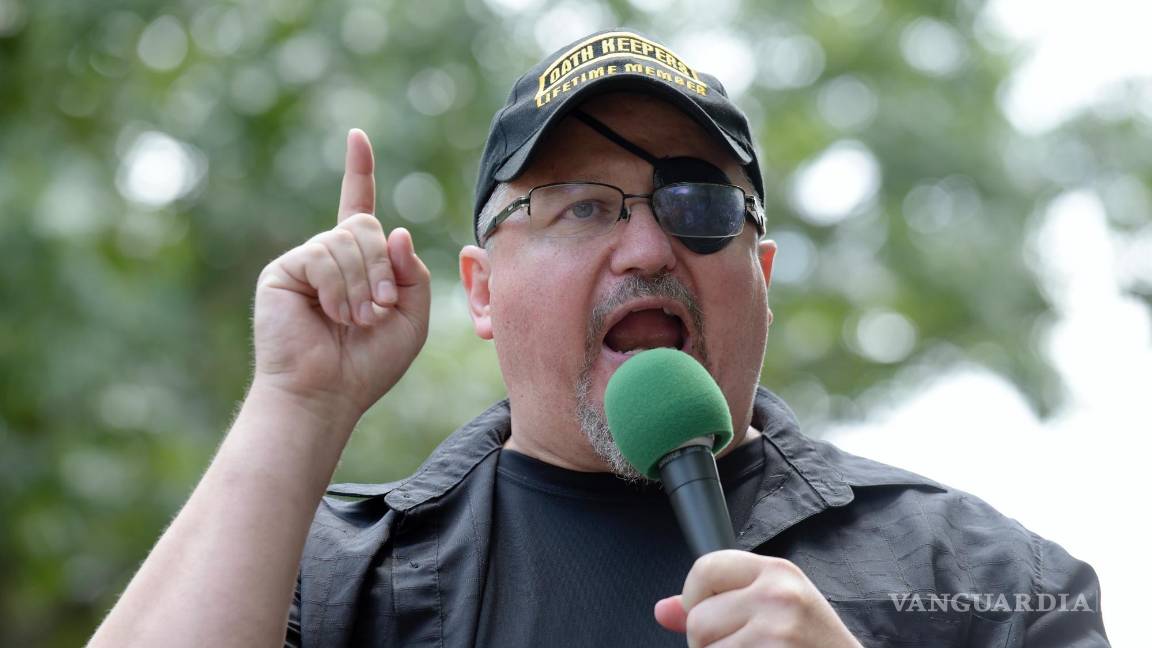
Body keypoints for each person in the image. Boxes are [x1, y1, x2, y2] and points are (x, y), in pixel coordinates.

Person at [89, 29, 1109, 647]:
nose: (647, 243)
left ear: (760, 278)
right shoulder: (334, 581)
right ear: (480, 292)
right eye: (580, 205)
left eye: (699, 203)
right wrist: (296, 404)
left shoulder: (984, 580)